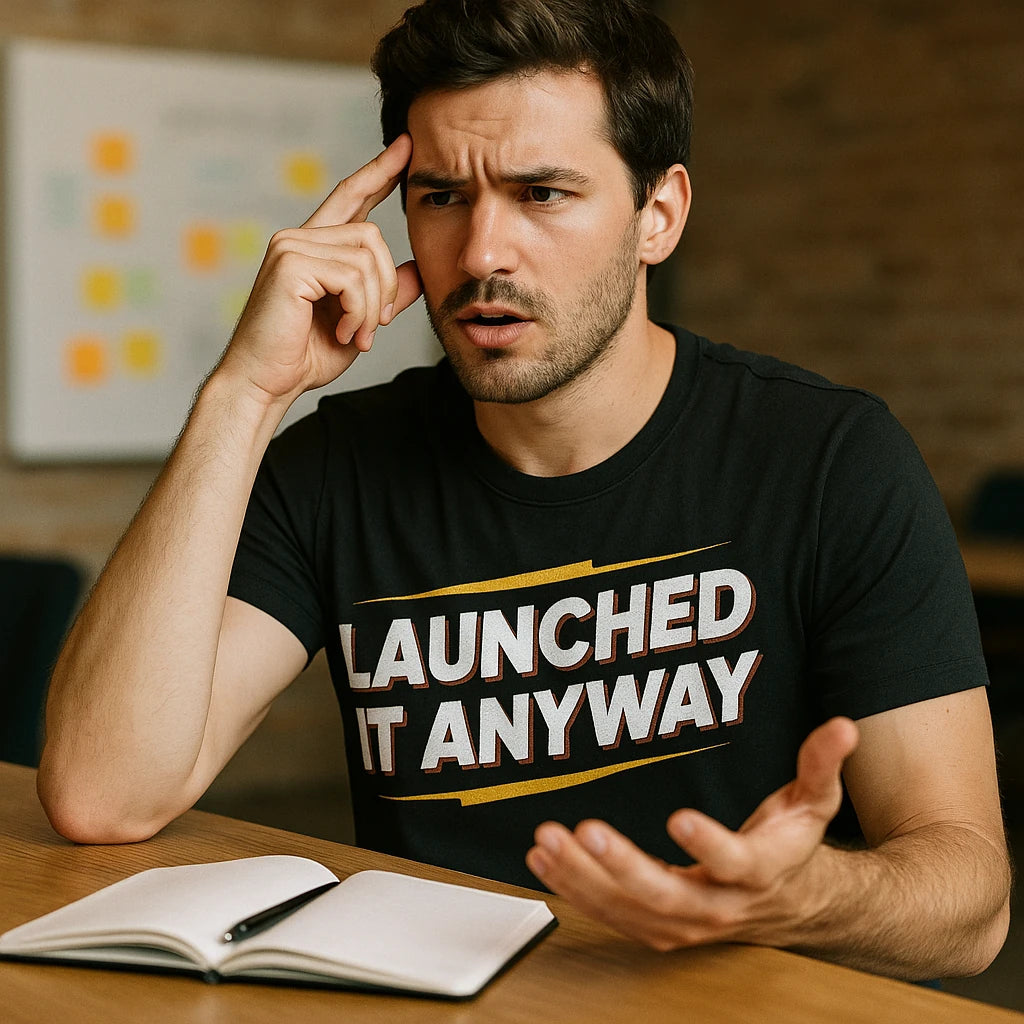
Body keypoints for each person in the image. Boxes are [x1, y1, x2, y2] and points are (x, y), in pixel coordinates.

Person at [39, 0, 1009, 981]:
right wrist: (244, 393)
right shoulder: (338, 467)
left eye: (541, 193)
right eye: (442, 196)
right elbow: (104, 797)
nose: (483, 253)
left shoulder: (829, 458)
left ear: (657, 215)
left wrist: (802, 897)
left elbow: (970, 904)